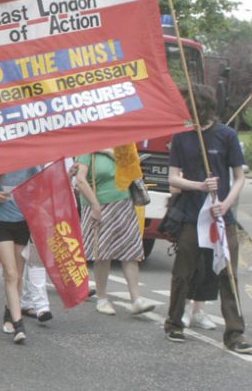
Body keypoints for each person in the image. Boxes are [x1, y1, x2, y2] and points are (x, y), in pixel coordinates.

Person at [164, 85, 250, 353]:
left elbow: (238, 177)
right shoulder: (181, 137)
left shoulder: (226, 135)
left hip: (222, 218)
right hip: (192, 216)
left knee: (228, 274)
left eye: (192, 107)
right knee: (183, 272)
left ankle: (235, 334)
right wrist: (198, 186)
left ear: (202, 107)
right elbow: (173, 177)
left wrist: (225, 204)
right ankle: (174, 322)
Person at [74, 149, 154, 317]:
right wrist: (95, 206)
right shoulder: (88, 150)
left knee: (130, 251)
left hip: (124, 204)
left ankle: (136, 299)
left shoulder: (121, 146)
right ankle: (102, 299)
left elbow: (134, 171)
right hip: (99, 206)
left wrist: (109, 152)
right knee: (102, 253)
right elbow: (80, 181)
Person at [0, 167, 41, 344]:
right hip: (1, 223)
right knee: (10, 274)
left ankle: (8, 312)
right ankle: (19, 325)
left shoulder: (31, 165)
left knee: (18, 275)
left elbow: (43, 185)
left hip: (23, 223)